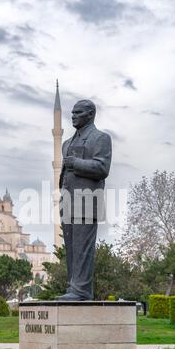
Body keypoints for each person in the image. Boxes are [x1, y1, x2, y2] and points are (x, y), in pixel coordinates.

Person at [57, 99, 112, 301]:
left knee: (82, 247)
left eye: (78, 113)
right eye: (72, 113)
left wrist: (76, 163)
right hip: (68, 202)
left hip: (87, 201)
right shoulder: (67, 143)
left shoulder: (100, 138)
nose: (73, 116)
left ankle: (81, 291)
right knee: (71, 248)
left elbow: (102, 168)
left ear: (90, 114)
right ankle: (73, 287)